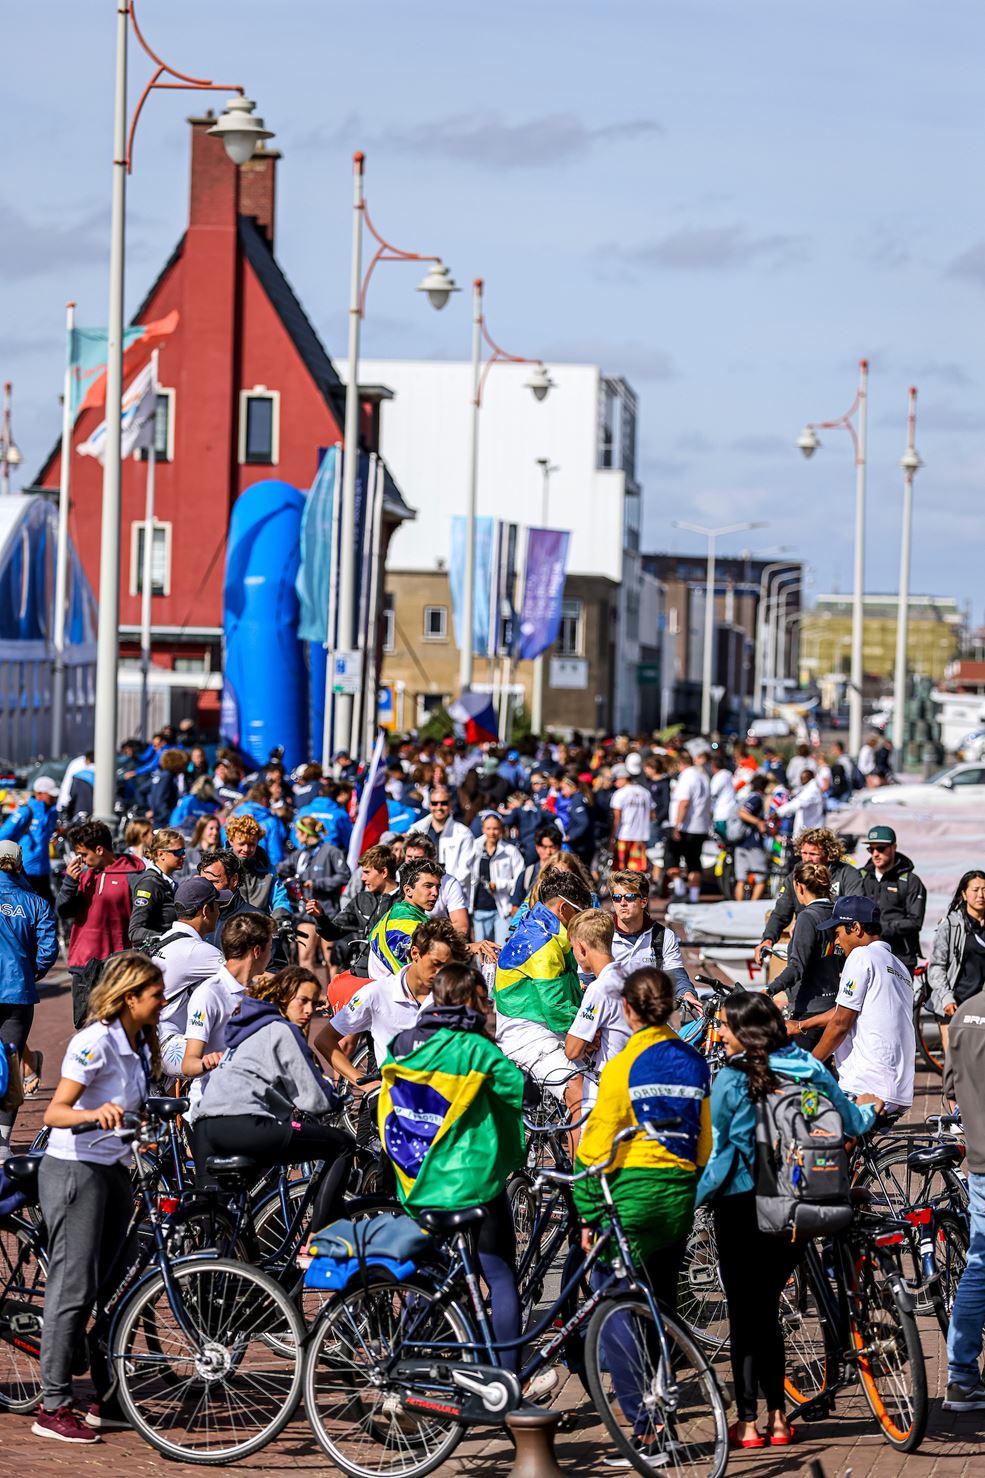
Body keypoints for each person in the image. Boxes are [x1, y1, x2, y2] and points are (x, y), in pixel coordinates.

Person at [696, 990, 878, 1449]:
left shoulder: (732, 1079)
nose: (718, 1033)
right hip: (797, 1207)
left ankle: (750, 1424)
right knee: (768, 1309)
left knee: (746, 1314)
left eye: (723, 1025)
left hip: (741, 1205)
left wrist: (690, 1198)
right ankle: (779, 1420)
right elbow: (852, 1123)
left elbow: (723, 1156)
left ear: (743, 1032)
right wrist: (873, 1106)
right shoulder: (811, 1069)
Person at [34, 952, 165, 1442]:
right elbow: (56, 1113)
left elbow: (127, 1107)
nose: (162, 1002)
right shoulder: (95, 1041)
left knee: (120, 1281)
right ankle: (53, 1404)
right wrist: (97, 1115)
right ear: (130, 997)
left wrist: (140, 1127)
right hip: (74, 1168)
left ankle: (107, 1396)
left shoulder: (138, 1042)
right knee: (74, 1286)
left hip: (113, 1169)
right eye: (155, 994)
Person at [378, 961, 526, 1372]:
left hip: (418, 1179)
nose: (488, 1006)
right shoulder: (476, 1049)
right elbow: (521, 1090)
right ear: (465, 1000)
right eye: (483, 998)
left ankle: (404, 1358)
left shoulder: (405, 1044)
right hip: (473, 1180)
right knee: (498, 1277)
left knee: (425, 1274)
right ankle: (509, 1378)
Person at [574, 967, 711, 1313]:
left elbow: (594, 1148)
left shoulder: (622, 1067)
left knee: (617, 1301)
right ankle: (666, 1360)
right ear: (670, 1008)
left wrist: (588, 1213)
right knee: (664, 1299)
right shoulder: (694, 1062)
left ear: (627, 1009)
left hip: (632, 1199)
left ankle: (629, 1367)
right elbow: (705, 1143)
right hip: (678, 1198)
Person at [190, 971, 355, 1234]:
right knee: (342, 1145)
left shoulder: (246, 1030)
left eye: (315, 1003)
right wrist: (336, 1099)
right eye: (303, 1001)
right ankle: (318, 1233)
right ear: (283, 998)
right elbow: (314, 1099)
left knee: (223, 1228)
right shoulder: (282, 1030)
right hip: (243, 1124)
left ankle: (227, 1270)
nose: (310, 1009)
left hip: (204, 1128)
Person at [316, 917, 468, 1082]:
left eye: (446, 967)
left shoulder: (453, 997)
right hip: (391, 1101)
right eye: (436, 964)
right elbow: (325, 1039)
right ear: (415, 953)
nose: (440, 973)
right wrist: (363, 1083)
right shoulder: (377, 993)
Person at [495, 867, 593, 1115]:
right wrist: (590, 1031)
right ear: (563, 909)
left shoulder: (546, 928)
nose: (585, 919)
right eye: (582, 912)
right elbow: (556, 1009)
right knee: (579, 1091)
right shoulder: (543, 943)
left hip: (544, 1023)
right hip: (526, 1032)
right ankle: (580, 1155)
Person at [804, 895, 916, 1112]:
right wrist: (802, 1025)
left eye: (837, 933)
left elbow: (841, 1023)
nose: (836, 942)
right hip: (899, 1091)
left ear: (855, 928)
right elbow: (851, 1009)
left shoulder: (861, 956)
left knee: (810, 1127)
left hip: (866, 1087)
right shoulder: (899, 967)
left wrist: (809, 1065)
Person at [942, 973, 985, 1410]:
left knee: (979, 1262)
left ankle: (962, 1376)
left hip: (978, 1155)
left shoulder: (966, 1012)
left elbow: (950, 1089)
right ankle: (962, 1376)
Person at [180, 912, 275, 1110]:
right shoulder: (209, 994)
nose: (271, 956)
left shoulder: (256, 990)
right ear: (257, 951)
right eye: (270, 948)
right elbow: (188, 1065)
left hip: (250, 1101)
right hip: (212, 1108)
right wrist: (208, 1062)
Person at [0, 841, 58, 1155]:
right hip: (17, 994)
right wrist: (29, 972)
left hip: (15, 990)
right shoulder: (35, 902)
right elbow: (49, 949)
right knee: (10, 1066)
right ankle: (2, 1144)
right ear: (19, 865)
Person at [153, 876, 230, 1075]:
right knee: (235, 1057)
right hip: (168, 1046)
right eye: (217, 905)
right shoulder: (196, 950)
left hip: (150, 1040)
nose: (219, 910)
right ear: (205, 910)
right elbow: (244, 977)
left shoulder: (166, 938)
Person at [753, 828, 862, 966]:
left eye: (813, 854)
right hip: (802, 949)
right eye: (804, 853)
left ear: (828, 854)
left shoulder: (847, 874)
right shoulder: (795, 876)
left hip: (837, 951)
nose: (807, 859)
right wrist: (768, 939)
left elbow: (855, 912)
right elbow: (780, 913)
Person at [57, 820, 144, 987]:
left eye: (83, 854)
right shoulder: (83, 876)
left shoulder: (134, 876)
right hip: (83, 965)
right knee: (84, 1014)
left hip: (118, 966)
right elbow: (63, 911)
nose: (81, 860)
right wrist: (69, 882)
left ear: (99, 849)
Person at [768, 862, 842, 1051]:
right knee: (823, 1069)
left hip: (808, 1010)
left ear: (799, 887)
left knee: (799, 1073)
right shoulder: (837, 913)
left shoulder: (807, 917)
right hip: (833, 1006)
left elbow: (796, 967)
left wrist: (770, 990)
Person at [607, 870, 697, 1005]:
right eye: (617, 898)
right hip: (610, 1016)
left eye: (630, 897)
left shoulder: (664, 935)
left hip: (650, 1015)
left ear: (644, 901)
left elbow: (676, 975)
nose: (622, 903)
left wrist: (687, 993)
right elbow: (587, 975)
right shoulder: (603, 933)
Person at [564, 910, 629, 1079]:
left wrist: (585, 1041)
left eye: (573, 949)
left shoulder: (598, 988)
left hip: (608, 1080)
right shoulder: (628, 977)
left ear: (581, 948)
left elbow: (571, 1050)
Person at [856, 824, 927, 976]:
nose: (875, 854)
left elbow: (915, 921)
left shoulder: (911, 881)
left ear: (893, 847)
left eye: (880, 849)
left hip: (900, 957)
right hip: (867, 955)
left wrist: (879, 929)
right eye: (871, 849)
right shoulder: (861, 877)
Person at [367, 858, 441, 979]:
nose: (435, 892)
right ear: (408, 890)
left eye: (438, 886)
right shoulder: (402, 921)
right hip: (393, 994)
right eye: (428, 886)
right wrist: (467, 948)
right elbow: (431, 954)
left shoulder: (402, 912)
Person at [930, 869, 985, 1024]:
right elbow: (936, 967)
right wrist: (946, 998)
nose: (981, 895)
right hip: (954, 1006)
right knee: (953, 1049)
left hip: (982, 1008)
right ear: (965, 894)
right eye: (975, 890)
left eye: (984, 890)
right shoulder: (950, 925)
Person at [407, 786, 477, 904]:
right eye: (435, 803)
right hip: (419, 897)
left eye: (443, 803)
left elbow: (465, 871)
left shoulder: (463, 834)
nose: (439, 807)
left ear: (450, 805)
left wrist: (445, 892)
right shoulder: (415, 830)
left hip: (451, 898)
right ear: (429, 805)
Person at [0, 774, 60, 905]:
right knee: (27, 909)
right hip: (24, 870)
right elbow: (3, 836)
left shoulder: (53, 812)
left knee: (46, 907)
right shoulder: (26, 811)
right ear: (39, 793)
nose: (54, 797)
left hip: (43, 870)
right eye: (50, 794)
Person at [664, 750, 711, 903]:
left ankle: (680, 890)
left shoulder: (687, 777)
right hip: (701, 826)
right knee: (694, 862)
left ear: (680, 764)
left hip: (687, 827)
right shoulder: (703, 776)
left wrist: (676, 826)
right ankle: (694, 896)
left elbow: (683, 802)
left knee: (671, 858)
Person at [471, 814, 524, 947]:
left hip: (502, 909)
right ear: (483, 829)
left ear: (500, 829)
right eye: (488, 828)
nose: (492, 832)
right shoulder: (474, 848)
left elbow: (519, 880)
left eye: (495, 828)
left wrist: (500, 885)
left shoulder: (510, 851)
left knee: (500, 948)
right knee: (481, 952)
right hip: (479, 908)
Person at [127, 827, 185, 947]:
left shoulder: (169, 882)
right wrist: (167, 938)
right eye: (178, 852)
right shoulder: (149, 884)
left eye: (183, 851)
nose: (183, 856)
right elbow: (135, 931)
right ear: (161, 854)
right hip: (154, 958)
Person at [223, 814, 290, 914]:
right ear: (231, 840)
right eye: (241, 844)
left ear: (257, 842)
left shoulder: (267, 869)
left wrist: (281, 917)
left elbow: (279, 898)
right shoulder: (220, 867)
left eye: (251, 844)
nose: (246, 849)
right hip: (229, 926)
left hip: (261, 925)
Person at [403, 834, 470, 934]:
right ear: (407, 890)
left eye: (418, 857)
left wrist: (426, 934)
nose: (412, 861)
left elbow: (462, 927)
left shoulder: (449, 882)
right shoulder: (396, 877)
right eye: (409, 856)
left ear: (432, 858)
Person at [608, 764, 654, 874]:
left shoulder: (619, 794)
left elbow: (616, 818)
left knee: (620, 869)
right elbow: (652, 815)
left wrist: (612, 838)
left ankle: (622, 891)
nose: (614, 783)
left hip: (623, 836)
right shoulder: (645, 792)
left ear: (623, 777)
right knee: (636, 871)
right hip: (640, 837)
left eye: (615, 780)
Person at [733, 774, 770, 901]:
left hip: (740, 842)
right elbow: (742, 812)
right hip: (752, 843)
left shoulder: (746, 796)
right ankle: (752, 906)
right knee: (761, 878)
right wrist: (758, 822)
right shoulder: (757, 798)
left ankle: (739, 907)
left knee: (741, 880)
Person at [511, 823, 562, 910]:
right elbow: (515, 907)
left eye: (552, 847)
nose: (548, 852)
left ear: (559, 847)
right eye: (544, 847)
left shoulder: (566, 873)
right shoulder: (527, 874)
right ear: (537, 848)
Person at [776, 768, 825, 836]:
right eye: (801, 778)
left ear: (810, 778)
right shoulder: (808, 788)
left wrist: (778, 812)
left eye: (804, 778)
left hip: (812, 830)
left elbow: (797, 803)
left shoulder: (812, 790)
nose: (801, 780)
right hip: (808, 829)